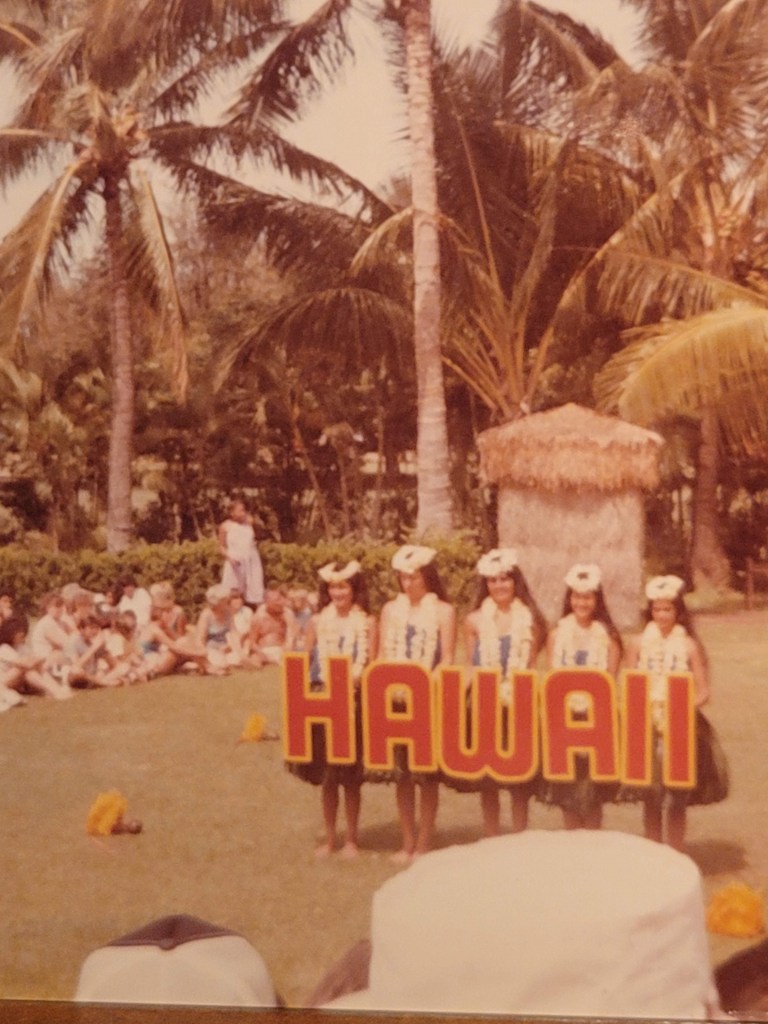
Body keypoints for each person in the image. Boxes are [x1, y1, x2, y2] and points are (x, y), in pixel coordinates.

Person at [620, 574, 728, 850]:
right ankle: (653, 851)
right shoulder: (638, 643)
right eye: (657, 609)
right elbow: (629, 685)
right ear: (650, 612)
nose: (662, 615)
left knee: (677, 795)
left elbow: (703, 691)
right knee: (651, 794)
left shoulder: (688, 645)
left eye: (667, 609)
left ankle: (676, 851)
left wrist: (681, 708)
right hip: (646, 726)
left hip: (680, 727)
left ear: (678, 612)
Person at [289, 560, 377, 858]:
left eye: (344, 587)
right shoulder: (317, 622)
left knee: (350, 778)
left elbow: (372, 664)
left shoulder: (367, 623)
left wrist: (355, 681)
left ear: (354, 589)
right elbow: (305, 661)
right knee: (328, 777)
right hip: (321, 701)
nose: (338, 592)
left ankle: (352, 839)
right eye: (333, 587)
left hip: (353, 702)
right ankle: (330, 838)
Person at [377, 544, 456, 862]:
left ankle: (424, 840)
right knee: (403, 774)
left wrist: (426, 685)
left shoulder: (443, 611)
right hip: (395, 700)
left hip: (427, 697)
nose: (408, 583)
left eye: (415, 577)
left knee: (425, 774)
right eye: (403, 578)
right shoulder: (390, 610)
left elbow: (447, 658)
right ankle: (407, 839)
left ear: (427, 577)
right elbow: (382, 655)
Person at [461, 548, 546, 835]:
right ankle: (491, 836)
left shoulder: (530, 620)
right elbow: (471, 665)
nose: (499, 585)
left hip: (518, 702)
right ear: (486, 584)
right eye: (493, 580)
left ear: (515, 582)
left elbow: (530, 666)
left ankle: (519, 836)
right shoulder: (473, 621)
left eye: (505, 579)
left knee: (519, 778)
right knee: (488, 779)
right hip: (485, 703)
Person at [539, 563, 622, 830]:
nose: (581, 603)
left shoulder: (608, 638)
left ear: (597, 601)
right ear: (569, 599)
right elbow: (553, 678)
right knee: (568, 787)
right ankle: (572, 839)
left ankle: (593, 842)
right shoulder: (556, 635)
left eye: (587, 597)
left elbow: (610, 683)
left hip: (596, 719)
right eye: (576, 597)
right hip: (565, 719)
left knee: (592, 788)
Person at [0, 613, 73, 700]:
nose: (22, 635)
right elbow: (25, 664)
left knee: (36, 667)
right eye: (19, 633)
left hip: (18, 681)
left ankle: (56, 689)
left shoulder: (21, 647)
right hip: (4, 681)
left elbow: (35, 658)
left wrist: (36, 661)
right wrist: (36, 660)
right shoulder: (4, 648)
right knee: (23, 669)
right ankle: (53, 691)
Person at [218, 498, 265, 608]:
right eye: (240, 511)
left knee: (255, 590)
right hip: (235, 561)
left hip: (251, 560)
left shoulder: (249, 523)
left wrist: (254, 522)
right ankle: (232, 614)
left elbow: (261, 534)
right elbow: (221, 547)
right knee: (234, 592)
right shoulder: (225, 526)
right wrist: (229, 558)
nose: (243, 513)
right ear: (232, 512)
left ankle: (253, 613)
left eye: (244, 510)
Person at [195, 583, 243, 675]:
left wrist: (237, 649)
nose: (228, 601)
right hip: (210, 649)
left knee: (238, 659)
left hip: (226, 648)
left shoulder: (228, 612)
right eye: (225, 600)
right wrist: (203, 655)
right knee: (222, 663)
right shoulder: (206, 615)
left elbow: (234, 632)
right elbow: (200, 640)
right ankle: (199, 664)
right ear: (217, 602)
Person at [246, 586, 296, 668]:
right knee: (255, 660)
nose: (281, 603)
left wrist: (287, 649)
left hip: (282, 649)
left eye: (280, 599)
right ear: (267, 603)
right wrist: (260, 653)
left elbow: (291, 636)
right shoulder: (259, 617)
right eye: (276, 601)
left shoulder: (287, 614)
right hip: (264, 650)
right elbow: (252, 642)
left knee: (296, 658)